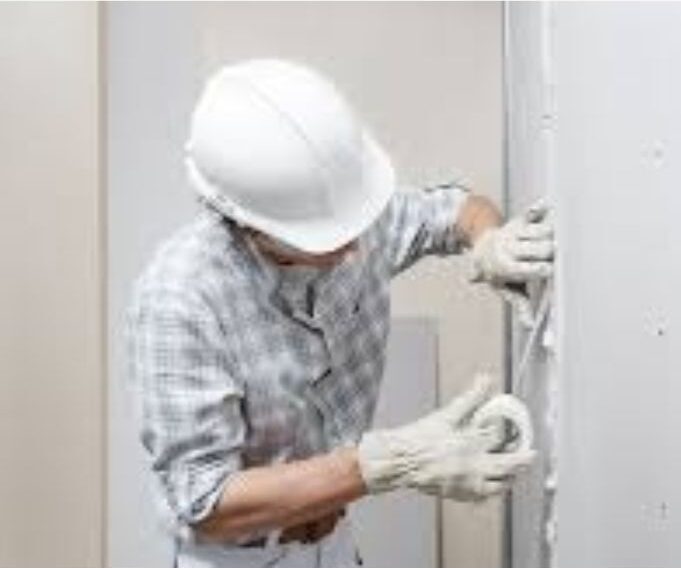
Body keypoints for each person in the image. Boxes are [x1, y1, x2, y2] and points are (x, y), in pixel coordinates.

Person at [126, 59, 553, 568]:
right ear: (249, 226)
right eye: (325, 239)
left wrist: (489, 239)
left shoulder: (353, 219)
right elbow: (205, 503)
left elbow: (457, 210)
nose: (354, 248)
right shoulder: (180, 298)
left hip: (335, 543)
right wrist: (389, 462)